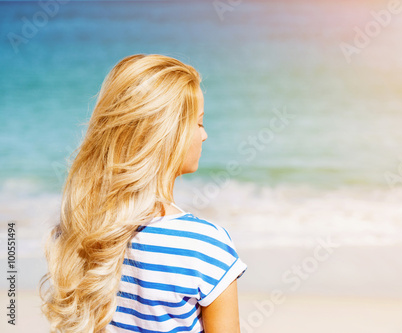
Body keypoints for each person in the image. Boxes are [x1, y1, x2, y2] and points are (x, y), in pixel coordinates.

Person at [39, 54, 247, 333]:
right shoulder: (205, 247)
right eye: (198, 123)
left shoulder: (81, 232)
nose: (205, 135)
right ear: (168, 134)